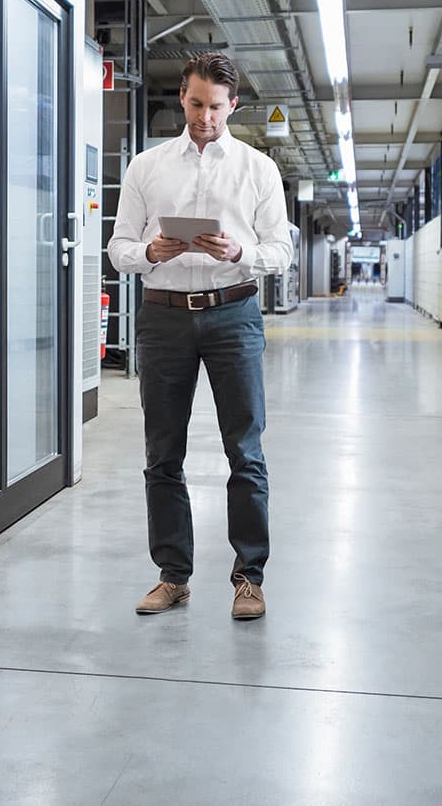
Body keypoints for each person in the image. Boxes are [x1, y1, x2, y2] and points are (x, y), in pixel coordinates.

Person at [108, 51, 293, 621]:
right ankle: (172, 575)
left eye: (215, 107)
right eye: (194, 104)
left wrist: (240, 251)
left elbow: (281, 252)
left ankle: (249, 577)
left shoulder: (258, 169)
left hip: (233, 313)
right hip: (163, 317)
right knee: (163, 452)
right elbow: (118, 249)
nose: (204, 117)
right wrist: (150, 252)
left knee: (245, 449)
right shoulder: (148, 166)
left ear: (232, 105)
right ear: (182, 99)